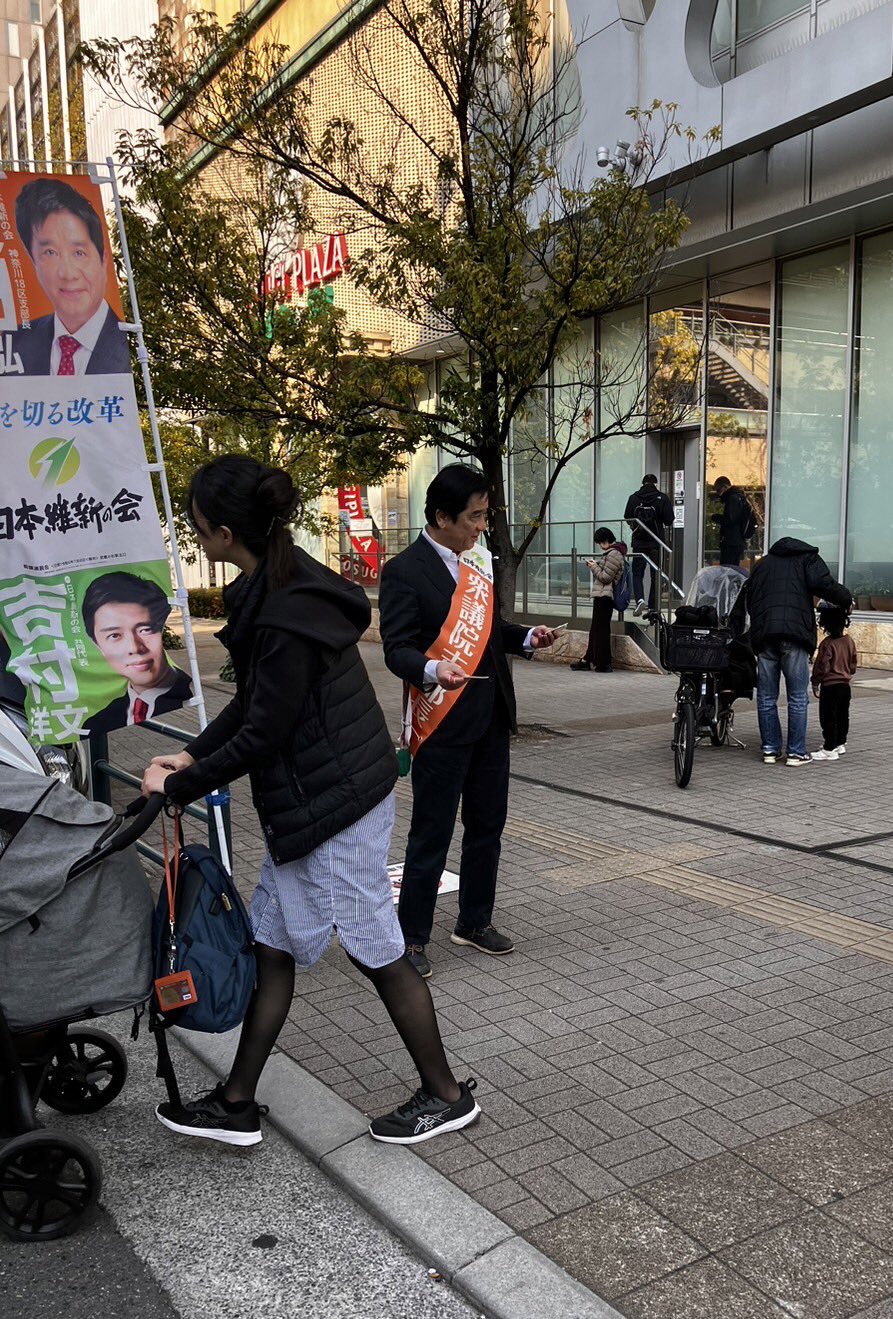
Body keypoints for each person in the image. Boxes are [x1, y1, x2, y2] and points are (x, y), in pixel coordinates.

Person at [140, 456, 479, 1147]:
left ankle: (446, 1094)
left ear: (226, 532)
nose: (198, 538)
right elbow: (258, 707)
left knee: (377, 951)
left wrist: (181, 783)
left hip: (335, 807)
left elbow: (265, 729)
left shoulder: (284, 610)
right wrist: (192, 756)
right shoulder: (278, 583)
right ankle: (236, 1100)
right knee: (271, 946)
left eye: (200, 528)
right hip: (323, 801)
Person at [378, 464, 558, 979]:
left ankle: (474, 921)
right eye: (475, 517)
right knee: (431, 833)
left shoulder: (475, 563)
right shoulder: (404, 570)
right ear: (442, 516)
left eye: (485, 516)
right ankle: (411, 939)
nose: (482, 527)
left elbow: (490, 630)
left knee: (487, 826)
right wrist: (434, 668)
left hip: (490, 719)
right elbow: (397, 649)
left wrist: (526, 637)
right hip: (442, 722)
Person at [743, 537, 852, 767]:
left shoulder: (763, 564)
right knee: (798, 696)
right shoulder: (807, 559)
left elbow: (749, 597)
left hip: (765, 636)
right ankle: (795, 752)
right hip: (794, 635)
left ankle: (770, 750)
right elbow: (825, 584)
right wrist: (846, 598)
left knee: (766, 697)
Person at [9, 178, 130, 376]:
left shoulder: (131, 341)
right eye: (50, 252)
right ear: (33, 262)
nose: (68, 274)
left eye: (79, 253)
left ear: (103, 259)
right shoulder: (14, 346)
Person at [83, 572, 193, 733]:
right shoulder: (98, 721)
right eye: (114, 636)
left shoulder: (188, 695)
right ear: (97, 644)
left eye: (145, 629)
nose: (135, 647)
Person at [571, 529, 627, 673]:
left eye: (600, 543)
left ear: (605, 540)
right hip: (602, 596)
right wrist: (597, 564)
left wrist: (594, 567)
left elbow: (606, 577)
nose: (600, 546)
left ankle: (603, 663)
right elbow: (607, 572)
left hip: (605, 597)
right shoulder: (613, 553)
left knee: (601, 630)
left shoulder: (614, 554)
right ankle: (587, 660)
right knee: (596, 629)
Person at [811, 604, 857, 761]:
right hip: (845, 685)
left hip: (830, 686)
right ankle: (840, 743)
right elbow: (853, 664)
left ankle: (829, 748)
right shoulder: (849, 641)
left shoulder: (827, 644)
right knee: (843, 715)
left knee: (828, 717)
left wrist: (815, 682)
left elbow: (821, 666)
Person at [624, 474, 674, 615]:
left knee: (637, 573)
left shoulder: (634, 498)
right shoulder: (662, 498)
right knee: (656, 574)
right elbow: (669, 520)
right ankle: (653, 606)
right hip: (656, 543)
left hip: (639, 542)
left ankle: (640, 599)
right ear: (655, 484)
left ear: (643, 483)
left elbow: (627, 516)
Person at [712, 477, 755, 566]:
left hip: (732, 542)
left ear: (724, 487)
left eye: (718, 490)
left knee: (728, 569)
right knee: (732, 569)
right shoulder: (739, 497)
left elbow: (730, 521)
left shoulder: (733, 499)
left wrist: (714, 517)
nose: (718, 494)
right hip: (737, 541)